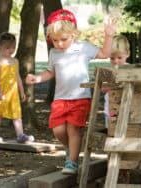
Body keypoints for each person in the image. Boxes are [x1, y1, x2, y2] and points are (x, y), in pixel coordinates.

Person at [26, 9, 117, 174]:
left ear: (74, 34)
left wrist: (109, 36)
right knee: (58, 130)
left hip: (80, 98)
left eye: (63, 39)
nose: (59, 44)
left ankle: (72, 163)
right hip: (60, 99)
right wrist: (37, 78)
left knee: (74, 130)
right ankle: (70, 149)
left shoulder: (83, 48)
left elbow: (105, 54)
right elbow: (50, 72)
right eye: (55, 40)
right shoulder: (54, 53)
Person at [0, 32, 34, 144]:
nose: (11, 50)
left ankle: (20, 135)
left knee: (17, 113)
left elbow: (18, 77)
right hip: (0, 92)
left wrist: (21, 92)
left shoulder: (15, 61)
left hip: (13, 93)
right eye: (7, 48)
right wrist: (0, 93)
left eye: (13, 47)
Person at [103, 34, 130, 129]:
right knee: (111, 131)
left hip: (127, 110)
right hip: (110, 109)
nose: (116, 61)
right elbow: (103, 88)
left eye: (119, 58)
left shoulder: (131, 70)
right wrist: (106, 87)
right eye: (112, 58)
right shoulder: (108, 71)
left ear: (127, 53)